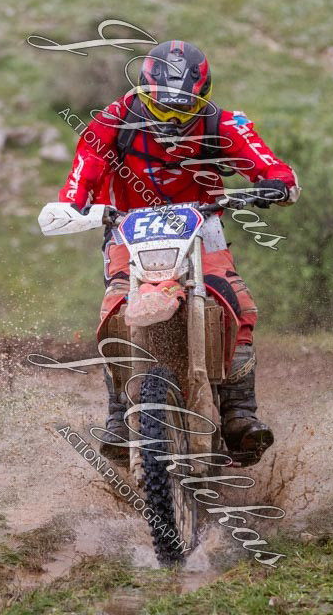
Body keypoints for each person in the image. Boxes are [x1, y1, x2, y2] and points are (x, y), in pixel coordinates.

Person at [58, 40, 300, 466]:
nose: (171, 121)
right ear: (144, 93)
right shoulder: (111, 123)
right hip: (129, 228)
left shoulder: (223, 123)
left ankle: (239, 412)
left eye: (183, 111)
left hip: (201, 224)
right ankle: (118, 412)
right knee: (116, 305)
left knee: (237, 304)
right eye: (160, 108)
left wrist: (276, 184)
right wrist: (72, 208)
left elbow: (269, 164)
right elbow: (81, 177)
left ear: (203, 98)